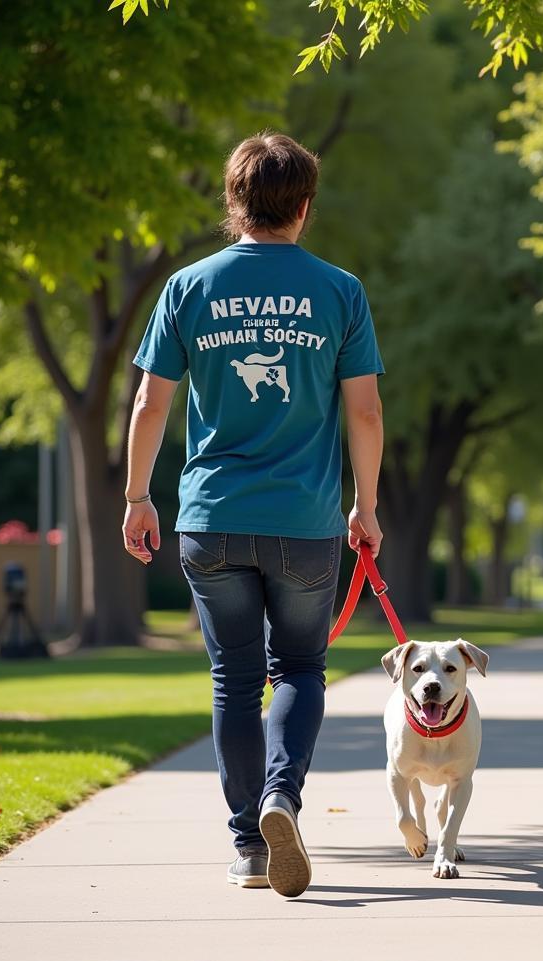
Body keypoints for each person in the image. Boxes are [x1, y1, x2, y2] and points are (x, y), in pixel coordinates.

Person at [121, 132, 384, 898]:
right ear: (303, 206)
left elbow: (150, 401)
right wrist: (365, 506)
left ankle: (249, 847)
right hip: (305, 521)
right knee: (299, 667)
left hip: (212, 517)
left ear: (234, 204)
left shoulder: (187, 286)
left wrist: (139, 496)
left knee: (234, 679)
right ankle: (281, 797)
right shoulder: (340, 290)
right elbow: (363, 412)